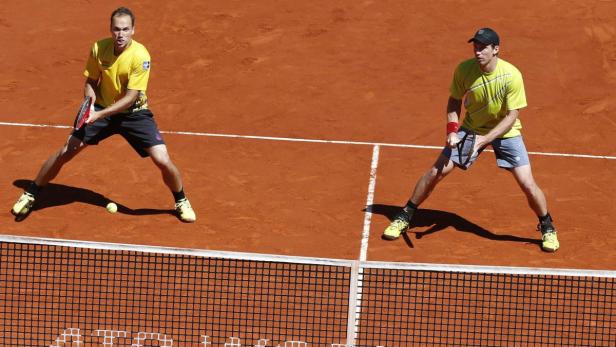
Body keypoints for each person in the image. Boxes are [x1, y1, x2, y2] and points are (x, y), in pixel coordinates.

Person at [11, 7, 196, 223]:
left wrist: (99, 115)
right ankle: (31, 193)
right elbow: (91, 82)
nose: (121, 34)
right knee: (65, 151)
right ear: (110, 29)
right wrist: (89, 104)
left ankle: (181, 200)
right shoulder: (99, 48)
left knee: (162, 159)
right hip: (100, 109)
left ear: (133, 30)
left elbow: (130, 97)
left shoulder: (141, 56)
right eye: (117, 29)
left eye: (126, 29)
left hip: (133, 114)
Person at [382, 28, 559, 252]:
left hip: (506, 132)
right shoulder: (464, 70)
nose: (477, 52)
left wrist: (483, 140)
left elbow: (512, 115)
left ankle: (547, 226)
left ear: (496, 49)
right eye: (475, 46)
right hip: (471, 128)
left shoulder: (512, 75)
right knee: (437, 171)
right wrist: (453, 130)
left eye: (483, 47)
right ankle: (405, 215)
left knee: (527, 184)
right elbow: (454, 101)